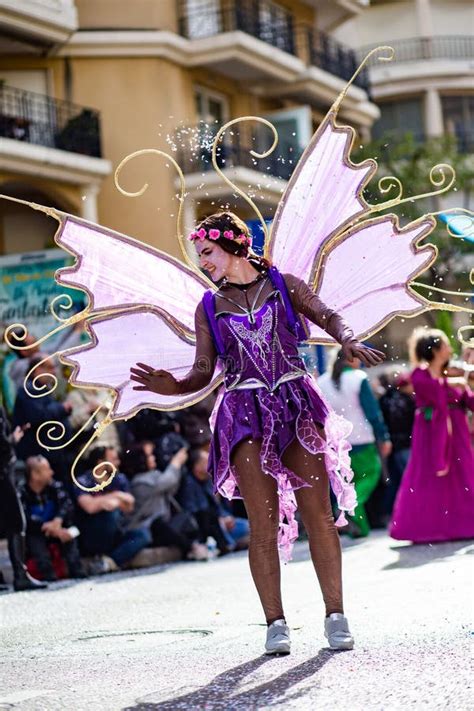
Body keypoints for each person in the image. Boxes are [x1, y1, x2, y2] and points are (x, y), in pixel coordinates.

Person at [130, 211, 385, 654]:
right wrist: (175, 387)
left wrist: (345, 339)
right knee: (261, 524)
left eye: (207, 252)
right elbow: (204, 371)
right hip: (243, 413)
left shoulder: (284, 285)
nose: (203, 262)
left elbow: (328, 315)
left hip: (294, 405)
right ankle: (275, 623)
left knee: (318, 515)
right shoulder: (208, 307)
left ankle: (336, 614)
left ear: (232, 245)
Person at [390, 329, 474, 543]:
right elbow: (435, 394)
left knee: (464, 475)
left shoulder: (451, 376)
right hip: (431, 434)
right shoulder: (420, 374)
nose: (450, 349)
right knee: (427, 477)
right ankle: (425, 528)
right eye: (445, 345)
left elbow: (469, 401)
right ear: (435, 350)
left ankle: (463, 525)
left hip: (458, 434)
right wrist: (454, 383)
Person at [318, 349, 392, 538]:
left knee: (350, 482)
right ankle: (347, 505)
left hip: (336, 442)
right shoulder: (359, 378)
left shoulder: (322, 382)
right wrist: (383, 436)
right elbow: (372, 412)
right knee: (371, 475)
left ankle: (360, 528)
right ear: (352, 359)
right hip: (362, 438)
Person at [122, 442, 208, 561]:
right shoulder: (139, 483)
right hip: (147, 530)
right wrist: (176, 462)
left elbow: (172, 486)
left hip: (162, 526)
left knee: (188, 517)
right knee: (160, 525)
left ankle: (203, 544)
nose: (153, 457)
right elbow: (168, 482)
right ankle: (192, 548)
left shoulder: (153, 475)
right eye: (149, 456)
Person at [73, 447, 148, 572]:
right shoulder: (84, 481)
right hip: (93, 533)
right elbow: (89, 507)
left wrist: (104, 502)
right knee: (110, 513)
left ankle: (109, 561)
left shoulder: (119, 479)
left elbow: (129, 506)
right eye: (113, 459)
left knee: (143, 534)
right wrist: (114, 497)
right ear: (100, 462)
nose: (117, 463)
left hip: (116, 531)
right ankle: (107, 559)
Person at [0, 406, 46, 591]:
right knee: (17, 522)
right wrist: (13, 439)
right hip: (2, 472)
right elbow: (2, 443)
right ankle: (20, 575)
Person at [20, 456, 85, 580]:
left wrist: (58, 520)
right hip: (37, 532)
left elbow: (67, 506)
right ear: (35, 475)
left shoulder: (55, 487)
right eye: (47, 469)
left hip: (58, 528)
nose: (52, 472)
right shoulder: (22, 493)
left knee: (71, 532)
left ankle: (76, 569)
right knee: (35, 541)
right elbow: (22, 517)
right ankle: (48, 574)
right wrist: (44, 527)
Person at [12, 354, 73, 482]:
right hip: (39, 456)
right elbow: (38, 416)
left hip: (52, 453)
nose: (54, 372)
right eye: (50, 368)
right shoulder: (28, 390)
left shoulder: (43, 390)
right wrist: (61, 408)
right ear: (37, 370)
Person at [178, 448, 249, 553]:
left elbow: (218, 507)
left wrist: (226, 517)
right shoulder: (189, 484)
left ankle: (239, 541)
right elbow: (192, 512)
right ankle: (232, 544)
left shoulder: (208, 481)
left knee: (249, 526)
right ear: (197, 466)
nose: (210, 464)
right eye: (206, 462)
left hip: (222, 521)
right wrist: (219, 519)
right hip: (207, 526)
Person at [379, 371, 415, 517]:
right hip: (405, 444)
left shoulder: (386, 399)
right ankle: (406, 512)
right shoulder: (405, 401)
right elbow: (406, 423)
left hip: (394, 444)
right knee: (409, 480)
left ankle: (392, 512)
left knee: (396, 480)